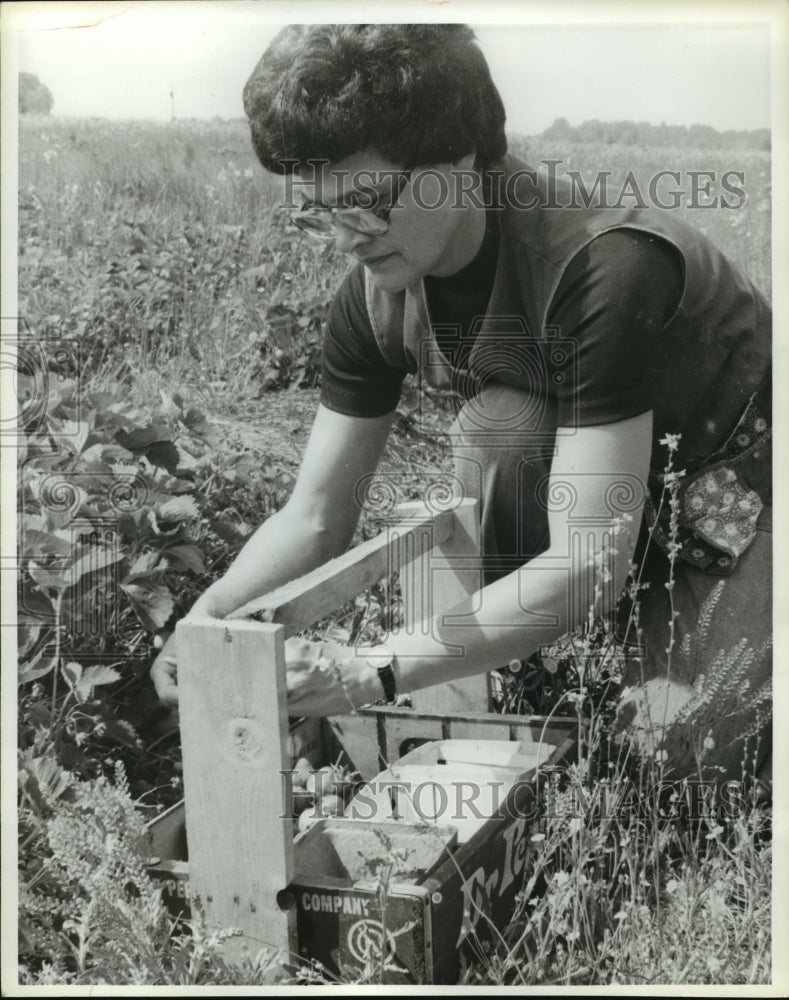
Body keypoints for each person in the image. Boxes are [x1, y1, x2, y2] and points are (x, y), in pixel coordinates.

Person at [151, 24, 771, 787]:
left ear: (459, 161)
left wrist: (369, 670)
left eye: (368, 203)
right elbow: (315, 515)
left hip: (737, 485)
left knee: (667, 760)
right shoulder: (376, 293)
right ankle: (555, 655)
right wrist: (206, 624)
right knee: (497, 429)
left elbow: (588, 560)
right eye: (319, 210)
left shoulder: (603, 267)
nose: (346, 238)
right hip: (608, 479)